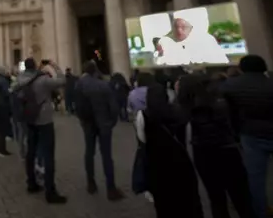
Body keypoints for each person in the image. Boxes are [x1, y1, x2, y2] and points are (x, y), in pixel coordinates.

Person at [178, 74, 255, 218]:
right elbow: (237, 121)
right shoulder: (221, 102)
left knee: (216, 197)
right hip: (227, 148)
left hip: (202, 153)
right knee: (241, 196)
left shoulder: (184, 108)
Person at [135, 84, 203, 218]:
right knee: (189, 202)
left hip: (157, 166)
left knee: (164, 205)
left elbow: (142, 141)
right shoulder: (180, 112)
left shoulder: (143, 115)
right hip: (182, 163)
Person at [221, 55, 273, 218]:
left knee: (256, 178)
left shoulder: (231, 85)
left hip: (250, 134)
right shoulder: (270, 83)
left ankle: (261, 212)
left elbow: (228, 112)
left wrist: (235, 133)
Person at [17, 57, 67, 204]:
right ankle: (50, 191)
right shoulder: (43, 79)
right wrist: (54, 66)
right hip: (44, 120)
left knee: (30, 152)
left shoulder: (20, 79)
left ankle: (31, 183)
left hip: (29, 119)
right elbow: (62, 80)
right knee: (48, 155)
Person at [74, 61, 125, 201]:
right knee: (107, 156)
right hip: (104, 124)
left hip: (88, 124)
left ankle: (91, 183)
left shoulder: (79, 85)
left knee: (89, 153)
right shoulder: (103, 85)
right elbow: (113, 107)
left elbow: (76, 106)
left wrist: (82, 120)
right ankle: (111, 188)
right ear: (95, 71)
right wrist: (112, 122)